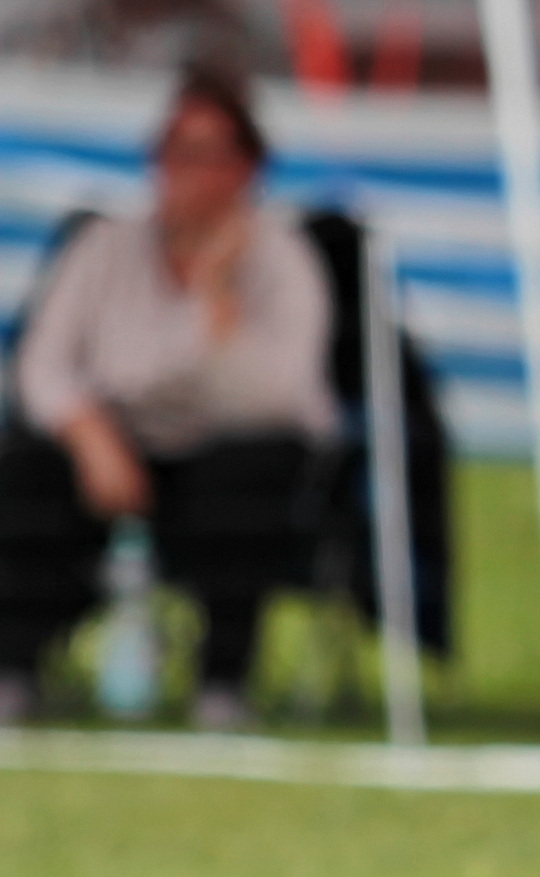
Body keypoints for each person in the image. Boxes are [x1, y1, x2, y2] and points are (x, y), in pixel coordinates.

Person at [0, 64, 335, 729]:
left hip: (223, 454)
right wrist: (90, 432)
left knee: (253, 472)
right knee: (25, 467)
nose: (187, 174)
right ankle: (12, 667)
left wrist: (211, 298)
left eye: (209, 156)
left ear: (248, 169)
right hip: (110, 449)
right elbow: (41, 364)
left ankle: (222, 683)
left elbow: (277, 394)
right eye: (176, 154)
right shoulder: (104, 245)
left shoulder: (282, 260)